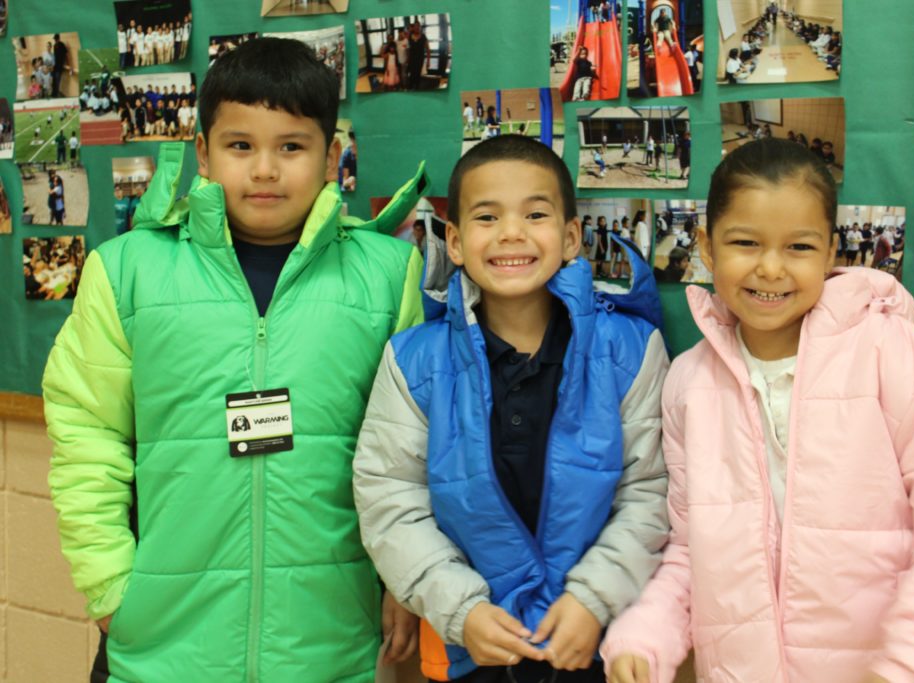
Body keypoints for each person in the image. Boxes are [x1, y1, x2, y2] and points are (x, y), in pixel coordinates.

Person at [43, 37, 427, 683]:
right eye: (240, 145)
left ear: (332, 155)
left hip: (329, 642)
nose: (266, 169)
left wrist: (405, 575)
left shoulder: (388, 274)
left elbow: (414, 447)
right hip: (165, 645)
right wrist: (109, 584)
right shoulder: (128, 270)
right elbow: (87, 433)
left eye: (292, 146)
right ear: (203, 152)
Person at [602, 138, 914, 683]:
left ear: (829, 252)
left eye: (799, 247)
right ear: (707, 247)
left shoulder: (910, 362)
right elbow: (688, 549)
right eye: (746, 242)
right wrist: (646, 635)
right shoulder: (687, 383)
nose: (771, 268)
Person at [353, 133, 669, 683]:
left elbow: (652, 491)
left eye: (535, 214)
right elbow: (389, 498)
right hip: (470, 649)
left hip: (593, 644)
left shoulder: (630, 349)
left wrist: (594, 597)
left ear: (571, 236)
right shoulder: (414, 360)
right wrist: (459, 608)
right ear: (453, 242)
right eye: (487, 218)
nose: (511, 234)